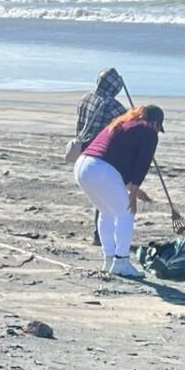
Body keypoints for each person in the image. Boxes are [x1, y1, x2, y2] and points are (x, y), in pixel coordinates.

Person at [73, 105, 164, 279]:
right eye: (159, 129)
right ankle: (121, 262)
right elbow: (141, 164)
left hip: (83, 166)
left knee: (106, 212)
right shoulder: (148, 130)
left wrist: (135, 191)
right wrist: (133, 192)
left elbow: (116, 161)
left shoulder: (124, 122)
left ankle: (109, 259)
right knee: (126, 214)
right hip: (100, 169)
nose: (158, 133)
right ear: (156, 123)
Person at [74, 68, 127, 245]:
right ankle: (101, 235)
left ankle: (99, 232)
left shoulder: (85, 98)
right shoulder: (112, 105)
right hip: (102, 152)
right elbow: (129, 122)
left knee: (97, 195)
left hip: (83, 150)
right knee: (105, 195)